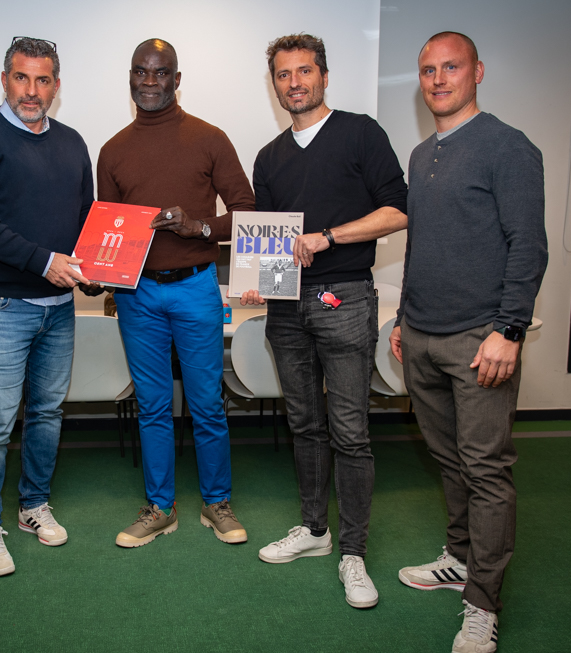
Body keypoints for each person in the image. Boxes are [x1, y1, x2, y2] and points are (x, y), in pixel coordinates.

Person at [389, 32, 547, 653]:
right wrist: (402, 318)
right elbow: (421, 245)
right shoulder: (421, 152)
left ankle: (483, 603)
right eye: (427, 70)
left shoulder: (508, 147)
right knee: (449, 460)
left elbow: (527, 246)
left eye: (450, 67)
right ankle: (458, 558)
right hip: (422, 336)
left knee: (486, 470)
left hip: (480, 340)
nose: (437, 79)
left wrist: (509, 330)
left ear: (477, 71)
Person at [242, 33, 408, 609]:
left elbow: (397, 210)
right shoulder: (268, 156)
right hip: (285, 307)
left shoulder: (361, 132)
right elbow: (265, 243)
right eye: (284, 74)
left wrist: (328, 236)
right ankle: (315, 531)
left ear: (324, 76)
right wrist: (253, 282)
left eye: (305, 71)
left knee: (350, 432)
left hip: (345, 298)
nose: (295, 82)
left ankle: (354, 553)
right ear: (276, 84)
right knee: (304, 426)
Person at [97, 39, 256, 548]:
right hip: (138, 296)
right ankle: (160, 508)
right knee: (152, 405)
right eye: (140, 72)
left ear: (177, 79)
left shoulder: (209, 138)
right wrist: (102, 269)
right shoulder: (113, 150)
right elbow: (109, 232)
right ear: (129, 77)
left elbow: (247, 211)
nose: (149, 81)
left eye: (160, 73)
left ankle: (216, 503)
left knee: (207, 402)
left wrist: (199, 228)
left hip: (195, 289)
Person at [0, 36, 94, 576]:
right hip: (2, 304)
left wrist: (97, 269)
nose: (31, 91)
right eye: (21, 78)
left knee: (47, 414)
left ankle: (33, 505)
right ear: (5, 80)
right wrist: (44, 262)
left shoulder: (73, 141)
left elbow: (86, 222)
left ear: (56, 85)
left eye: (42, 80)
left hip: (59, 306)